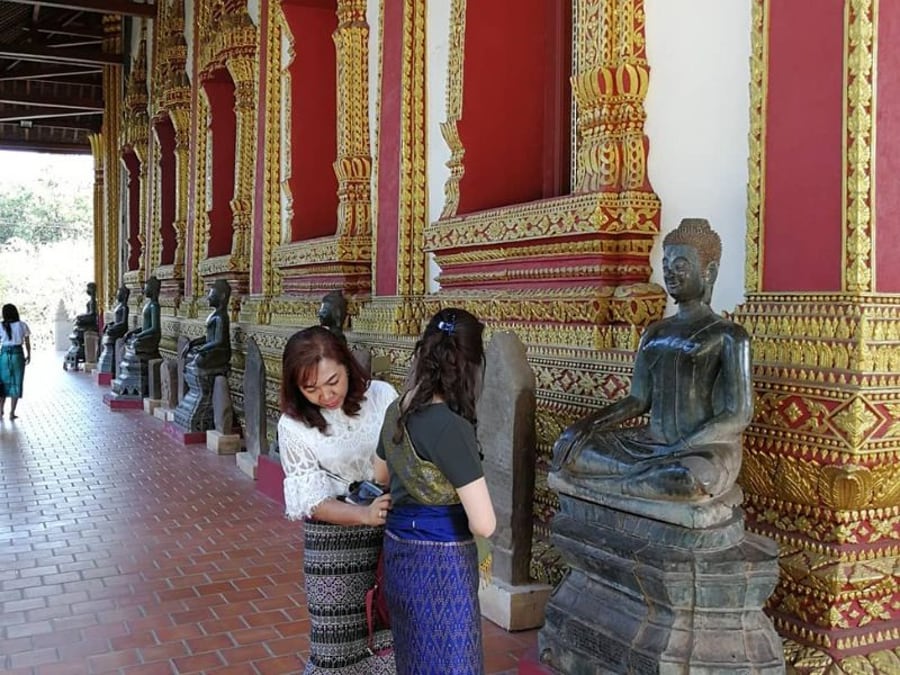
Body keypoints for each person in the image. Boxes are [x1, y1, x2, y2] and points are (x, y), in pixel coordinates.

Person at [551, 218, 753, 501]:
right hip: (650, 444)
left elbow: (738, 414)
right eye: (666, 265)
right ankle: (639, 482)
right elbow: (637, 400)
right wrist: (587, 425)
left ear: (710, 272)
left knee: (686, 478)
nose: (670, 273)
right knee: (572, 448)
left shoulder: (729, 335)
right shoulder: (655, 332)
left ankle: (620, 484)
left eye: (680, 266)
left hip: (702, 449)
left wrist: (682, 445)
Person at [375, 308, 496, 675]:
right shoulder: (451, 428)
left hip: (399, 551)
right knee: (452, 662)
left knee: (412, 657)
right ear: (471, 365)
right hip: (442, 565)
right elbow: (485, 524)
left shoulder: (396, 410)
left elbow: (379, 475)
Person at [278, 326, 398, 674]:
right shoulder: (293, 425)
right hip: (333, 548)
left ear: (348, 366)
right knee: (335, 651)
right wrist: (364, 515)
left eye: (333, 381)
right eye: (310, 388)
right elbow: (311, 501)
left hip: (389, 532)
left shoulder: (381, 395)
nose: (326, 395)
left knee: (390, 640)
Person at [181, 279, 231, 373]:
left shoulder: (221, 317)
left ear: (222, 296)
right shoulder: (215, 315)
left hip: (221, 352)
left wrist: (202, 348)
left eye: (211, 295)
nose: (208, 298)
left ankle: (202, 386)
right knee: (190, 355)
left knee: (198, 359)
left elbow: (218, 341)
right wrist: (193, 343)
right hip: (211, 348)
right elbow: (209, 338)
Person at [0, 303, 32, 420]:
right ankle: (12, 412)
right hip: (18, 354)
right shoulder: (22, 325)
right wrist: (29, 355)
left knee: (2, 383)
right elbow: (27, 343)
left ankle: (0, 411)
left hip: (4, 355)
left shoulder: (1, 326)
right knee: (16, 382)